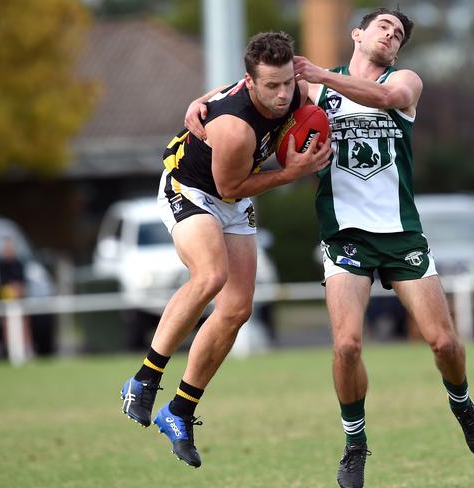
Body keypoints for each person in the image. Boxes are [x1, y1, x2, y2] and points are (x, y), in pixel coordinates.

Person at [188, 8, 474, 487]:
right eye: (382, 27)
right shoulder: (306, 88)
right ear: (358, 33)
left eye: (398, 34)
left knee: (445, 342)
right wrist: (201, 102)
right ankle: (354, 444)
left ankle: (462, 403)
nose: (391, 35)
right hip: (344, 235)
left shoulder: (403, 80)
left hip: (401, 233)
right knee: (347, 344)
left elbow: (390, 97)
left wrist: (323, 75)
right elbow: (253, 89)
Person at [120, 31, 331, 469]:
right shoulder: (235, 128)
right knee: (210, 276)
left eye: (286, 83)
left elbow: (224, 96)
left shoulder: (298, 91)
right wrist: (293, 173)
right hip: (193, 189)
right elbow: (229, 185)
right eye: (270, 86)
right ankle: (144, 379)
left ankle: (179, 410)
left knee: (237, 309)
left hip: (234, 199)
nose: (281, 95)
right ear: (250, 83)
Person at [0, 236, 32, 356]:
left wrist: (18, 289)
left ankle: (26, 349)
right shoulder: (1, 264)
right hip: (6, 299)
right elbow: (1, 283)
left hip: (19, 298)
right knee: (7, 324)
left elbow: (23, 282)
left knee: (23, 323)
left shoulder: (19, 263)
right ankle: (11, 351)